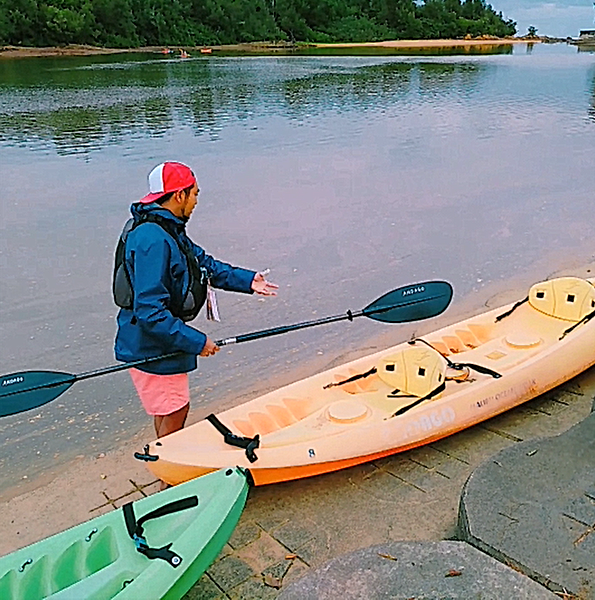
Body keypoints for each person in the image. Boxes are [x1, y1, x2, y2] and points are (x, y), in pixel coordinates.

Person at [114, 161, 277, 463]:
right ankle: (170, 470)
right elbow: (150, 312)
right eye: (195, 194)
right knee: (176, 409)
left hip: (157, 340)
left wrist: (248, 280)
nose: (197, 200)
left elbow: (204, 265)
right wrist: (197, 342)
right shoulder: (152, 239)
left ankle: (165, 461)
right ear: (179, 195)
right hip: (151, 343)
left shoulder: (167, 229)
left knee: (168, 408)